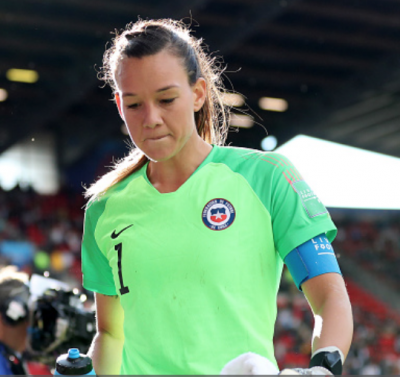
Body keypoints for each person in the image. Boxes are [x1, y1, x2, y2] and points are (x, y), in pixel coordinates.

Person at [81, 19, 353, 375]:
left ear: (198, 93)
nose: (151, 119)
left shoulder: (267, 176)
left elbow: (329, 297)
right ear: (119, 104)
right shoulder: (104, 208)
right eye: (134, 105)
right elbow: (110, 333)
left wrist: (322, 369)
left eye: (166, 99)